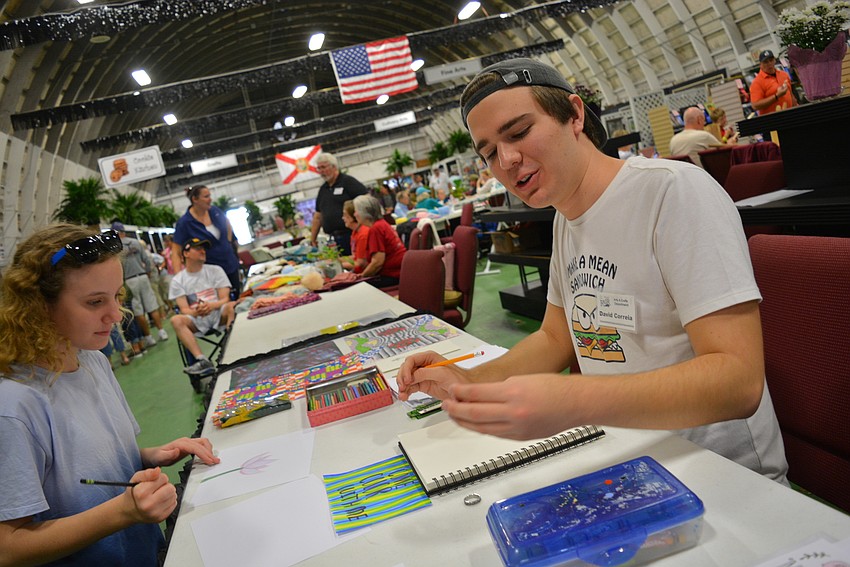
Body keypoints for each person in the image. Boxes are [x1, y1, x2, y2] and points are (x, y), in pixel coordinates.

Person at [397, 57, 788, 484]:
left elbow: (738, 380)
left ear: (575, 115)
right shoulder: (567, 217)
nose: (506, 159)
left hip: (726, 477)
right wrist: (469, 380)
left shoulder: (672, 192)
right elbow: (555, 337)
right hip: (634, 467)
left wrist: (573, 400)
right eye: (489, 152)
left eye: (520, 132)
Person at [0, 223, 220, 566]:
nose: (116, 315)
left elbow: (89, 463)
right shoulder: (15, 406)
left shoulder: (93, 362)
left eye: (117, 296)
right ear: (38, 305)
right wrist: (122, 512)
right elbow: (8, 547)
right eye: (94, 302)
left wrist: (151, 455)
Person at [169, 238, 236, 377]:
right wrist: (196, 312)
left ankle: (231, 349)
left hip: (219, 313)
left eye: (203, 248)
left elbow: (225, 298)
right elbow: (184, 309)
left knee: (232, 306)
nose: (202, 251)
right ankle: (202, 360)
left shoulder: (216, 270)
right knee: (176, 320)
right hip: (196, 319)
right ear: (186, 253)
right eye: (197, 248)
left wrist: (211, 306)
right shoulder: (178, 280)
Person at [172, 185, 241, 299]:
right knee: (221, 304)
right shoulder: (185, 223)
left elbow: (227, 223)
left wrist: (228, 243)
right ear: (195, 199)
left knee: (237, 298)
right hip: (209, 272)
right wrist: (179, 279)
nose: (210, 199)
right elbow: (175, 252)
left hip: (229, 264)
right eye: (206, 196)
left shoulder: (215, 211)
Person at [112, 222, 169, 346]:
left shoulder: (116, 248)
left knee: (138, 310)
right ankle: (161, 331)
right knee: (152, 305)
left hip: (129, 280)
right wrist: (147, 272)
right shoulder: (136, 242)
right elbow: (147, 260)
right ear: (124, 231)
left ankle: (149, 337)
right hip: (142, 276)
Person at [310, 152, 369, 256]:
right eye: (319, 168)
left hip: (352, 234)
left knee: (357, 262)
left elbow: (367, 201)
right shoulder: (323, 190)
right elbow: (318, 217)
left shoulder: (348, 182)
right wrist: (313, 239)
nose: (321, 171)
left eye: (323, 167)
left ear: (334, 166)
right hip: (334, 240)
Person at [353, 194, 407, 288]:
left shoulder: (376, 229)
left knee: (355, 287)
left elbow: (377, 263)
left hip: (393, 275)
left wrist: (361, 277)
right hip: (401, 271)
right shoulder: (382, 224)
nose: (355, 214)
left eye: (356, 211)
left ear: (364, 212)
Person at [750, 50, 797, 116]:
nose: (769, 64)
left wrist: (797, 108)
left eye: (771, 60)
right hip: (772, 122)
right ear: (760, 65)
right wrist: (776, 96)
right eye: (765, 62)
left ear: (775, 60)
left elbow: (791, 95)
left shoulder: (784, 75)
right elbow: (755, 105)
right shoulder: (757, 82)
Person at [340, 200, 369, 274]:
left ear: (352, 216)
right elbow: (355, 256)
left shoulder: (363, 234)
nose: (343, 218)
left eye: (344, 215)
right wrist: (336, 260)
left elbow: (360, 264)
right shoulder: (355, 232)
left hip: (364, 275)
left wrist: (339, 265)